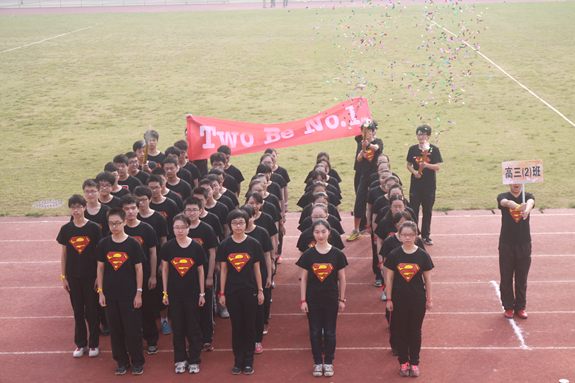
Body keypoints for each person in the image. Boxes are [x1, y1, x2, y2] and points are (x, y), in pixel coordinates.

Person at [96, 207, 146, 375]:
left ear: (125, 222)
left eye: (117, 223)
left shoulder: (133, 244)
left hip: (129, 295)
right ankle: (121, 361)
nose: (114, 227)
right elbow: (100, 269)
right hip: (110, 296)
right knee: (115, 331)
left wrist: (139, 293)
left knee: (132, 331)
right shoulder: (103, 244)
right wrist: (101, 292)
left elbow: (139, 269)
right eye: (111, 224)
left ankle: (137, 362)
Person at [296, 219, 348, 377]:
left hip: (331, 299)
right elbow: (303, 278)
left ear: (329, 232)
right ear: (313, 233)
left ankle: (329, 363)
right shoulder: (308, 254)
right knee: (315, 332)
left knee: (331, 333)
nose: (320, 235)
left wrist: (342, 299)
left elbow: (342, 278)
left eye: (323, 231)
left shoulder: (337, 254)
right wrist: (303, 300)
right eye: (317, 232)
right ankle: (318, 362)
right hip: (312, 300)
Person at [216, 209, 265, 375]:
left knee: (249, 327)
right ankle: (238, 361)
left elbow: (257, 270)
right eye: (235, 223)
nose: (238, 225)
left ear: (247, 223)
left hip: (250, 291)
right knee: (236, 327)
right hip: (232, 292)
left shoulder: (253, 244)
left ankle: (249, 361)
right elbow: (223, 270)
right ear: (230, 225)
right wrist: (221, 293)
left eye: (241, 222)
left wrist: (260, 291)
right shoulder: (224, 245)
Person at [384, 221, 433, 378]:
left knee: (415, 332)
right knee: (401, 331)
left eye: (411, 234)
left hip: (417, 300)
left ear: (416, 236)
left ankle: (414, 363)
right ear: (399, 236)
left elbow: (428, 279)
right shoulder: (394, 255)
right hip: (398, 300)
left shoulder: (423, 255)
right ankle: (403, 362)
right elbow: (389, 279)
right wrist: (389, 299)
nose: (407, 237)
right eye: (404, 234)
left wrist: (429, 299)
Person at [57, 194, 103, 358]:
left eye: (78, 207)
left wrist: (99, 276)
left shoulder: (94, 228)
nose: (75, 210)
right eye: (73, 207)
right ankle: (81, 344)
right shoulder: (66, 229)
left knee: (92, 311)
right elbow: (63, 255)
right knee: (77, 311)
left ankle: (94, 345)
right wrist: (64, 277)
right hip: (73, 276)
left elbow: (100, 254)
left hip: (91, 276)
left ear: (85, 208)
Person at [161, 214, 207, 374]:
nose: (179, 230)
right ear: (172, 229)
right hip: (174, 295)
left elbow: (201, 271)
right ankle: (180, 359)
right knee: (178, 329)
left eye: (183, 227)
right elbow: (165, 270)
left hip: (192, 294)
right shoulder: (167, 247)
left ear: (189, 228)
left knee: (193, 328)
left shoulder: (196, 247)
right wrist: (165, 293)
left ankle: (194, 360)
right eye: (176, 227)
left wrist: (202, 294)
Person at [120, 194, 160, 355]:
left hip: (144, 275)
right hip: (125, 279)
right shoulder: (119, 229)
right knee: (129, 314)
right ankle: (132, 343)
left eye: (133, 208)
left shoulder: (146, 228)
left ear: (138, 208)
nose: (130, 211)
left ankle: (151, 340)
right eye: (126, 208)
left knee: (148, 310)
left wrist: (152, 275)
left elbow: (153, 252)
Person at [183, 197, 218, 351]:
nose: (191, 213)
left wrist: (210, 275)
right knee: (190, 311)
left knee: (206, 309)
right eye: (188, 210)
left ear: (200, 210)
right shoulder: (180, 229)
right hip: (185, 277)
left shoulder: (207, 229)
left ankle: (207, 338)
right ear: (184, 211)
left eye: (194, 210)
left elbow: (212, 253)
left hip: (203, 276)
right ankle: (193, 339)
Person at [497, 184, 535, 319]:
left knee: (522, 277)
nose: (516, 185)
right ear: (509, 183)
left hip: (524, 243)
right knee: (506, 277)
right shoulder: (503, 196)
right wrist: (518, 207)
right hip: (506, 243)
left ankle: (520, 307)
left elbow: (531, 202)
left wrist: (527, 209)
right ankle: (508, 307)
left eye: (519, 182)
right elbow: (506, 203)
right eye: (513, 182)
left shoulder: (528, 196)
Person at [240, 205, 273, 354]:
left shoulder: (261, 232)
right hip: (241, 277)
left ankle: (257, 338)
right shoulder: (235, 234)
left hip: (260, 275)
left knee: (260, 306)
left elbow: (267, 254)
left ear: (254, 217)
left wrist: (269, 275)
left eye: (247, 218)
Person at [406, 124, 443, 245]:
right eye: (419, 134)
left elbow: (437, 166)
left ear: (428, 136)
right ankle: (414, 234)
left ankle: (426, 235)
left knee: (427, 211)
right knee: (413, 211)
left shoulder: (434, 150)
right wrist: (415, 172)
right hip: (415, 185)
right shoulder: (413, 149)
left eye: (423, 134)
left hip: (429, 186)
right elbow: (409, 165)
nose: (420, 137)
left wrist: (426, 165)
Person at [347, 120, 383, 241]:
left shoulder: (378, 141)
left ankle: (375, 229)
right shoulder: (360, 144)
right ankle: (357, 230)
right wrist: (361, 154)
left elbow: (376, 147)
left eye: (368, 131)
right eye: (364, 131)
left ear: (373, 132)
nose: (366, 133)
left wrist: (367, 144)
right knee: (359, 202)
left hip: (375, 178)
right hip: (363, 176)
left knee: (375, 203)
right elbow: (358, 159)